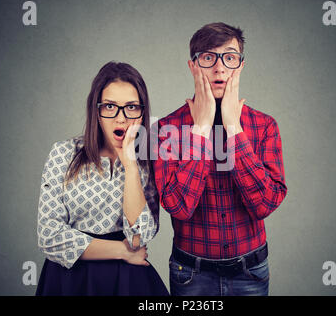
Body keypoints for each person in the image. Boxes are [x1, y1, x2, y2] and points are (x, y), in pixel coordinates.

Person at [153, 22, 287, 296]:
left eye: (229, 57)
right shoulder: (167, 130)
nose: (219, 68)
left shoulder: (264, 126)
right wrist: (200, 130)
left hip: (251, 273)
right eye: (207, 57)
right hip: (190, 276)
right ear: (193, 66)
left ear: (240, 66)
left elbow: (264, 204)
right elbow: (178, 206)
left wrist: (233, 128)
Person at [35, 61, 169, 296]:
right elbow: (49, 235)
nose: (121, 119)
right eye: (110, 106)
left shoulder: (148, 162)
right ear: (96, 112)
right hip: (68, 280)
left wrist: (130, 165)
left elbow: (138, 238)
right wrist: (121, 251)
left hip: (126, 282)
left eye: (131, 107)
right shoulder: (63, 153)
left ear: (142, 111)